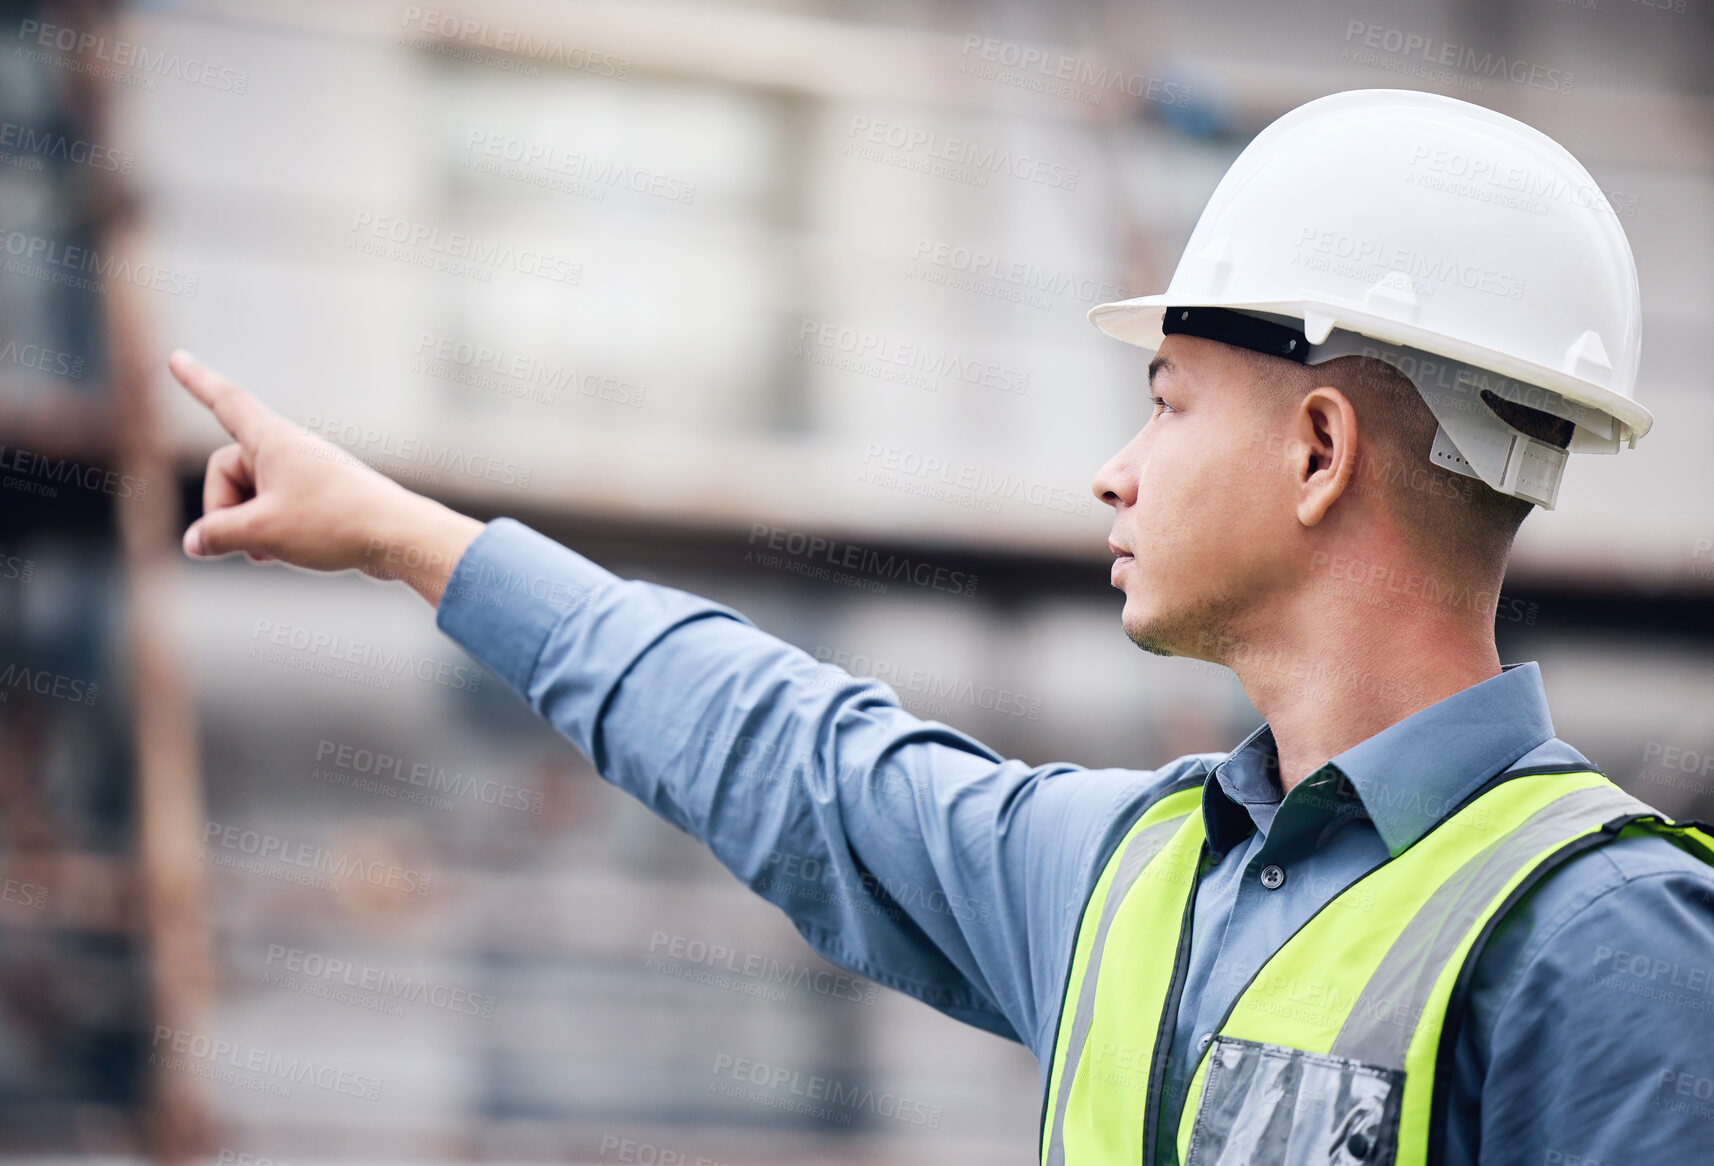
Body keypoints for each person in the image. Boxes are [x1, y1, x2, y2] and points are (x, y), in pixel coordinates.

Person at [167, 90, 1714, 1166]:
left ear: (1318, 451)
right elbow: (787, 753)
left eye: (1165, 403)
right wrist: (405, 537)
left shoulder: (1606, 945)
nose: (1113, 468)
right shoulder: (1130, 875)